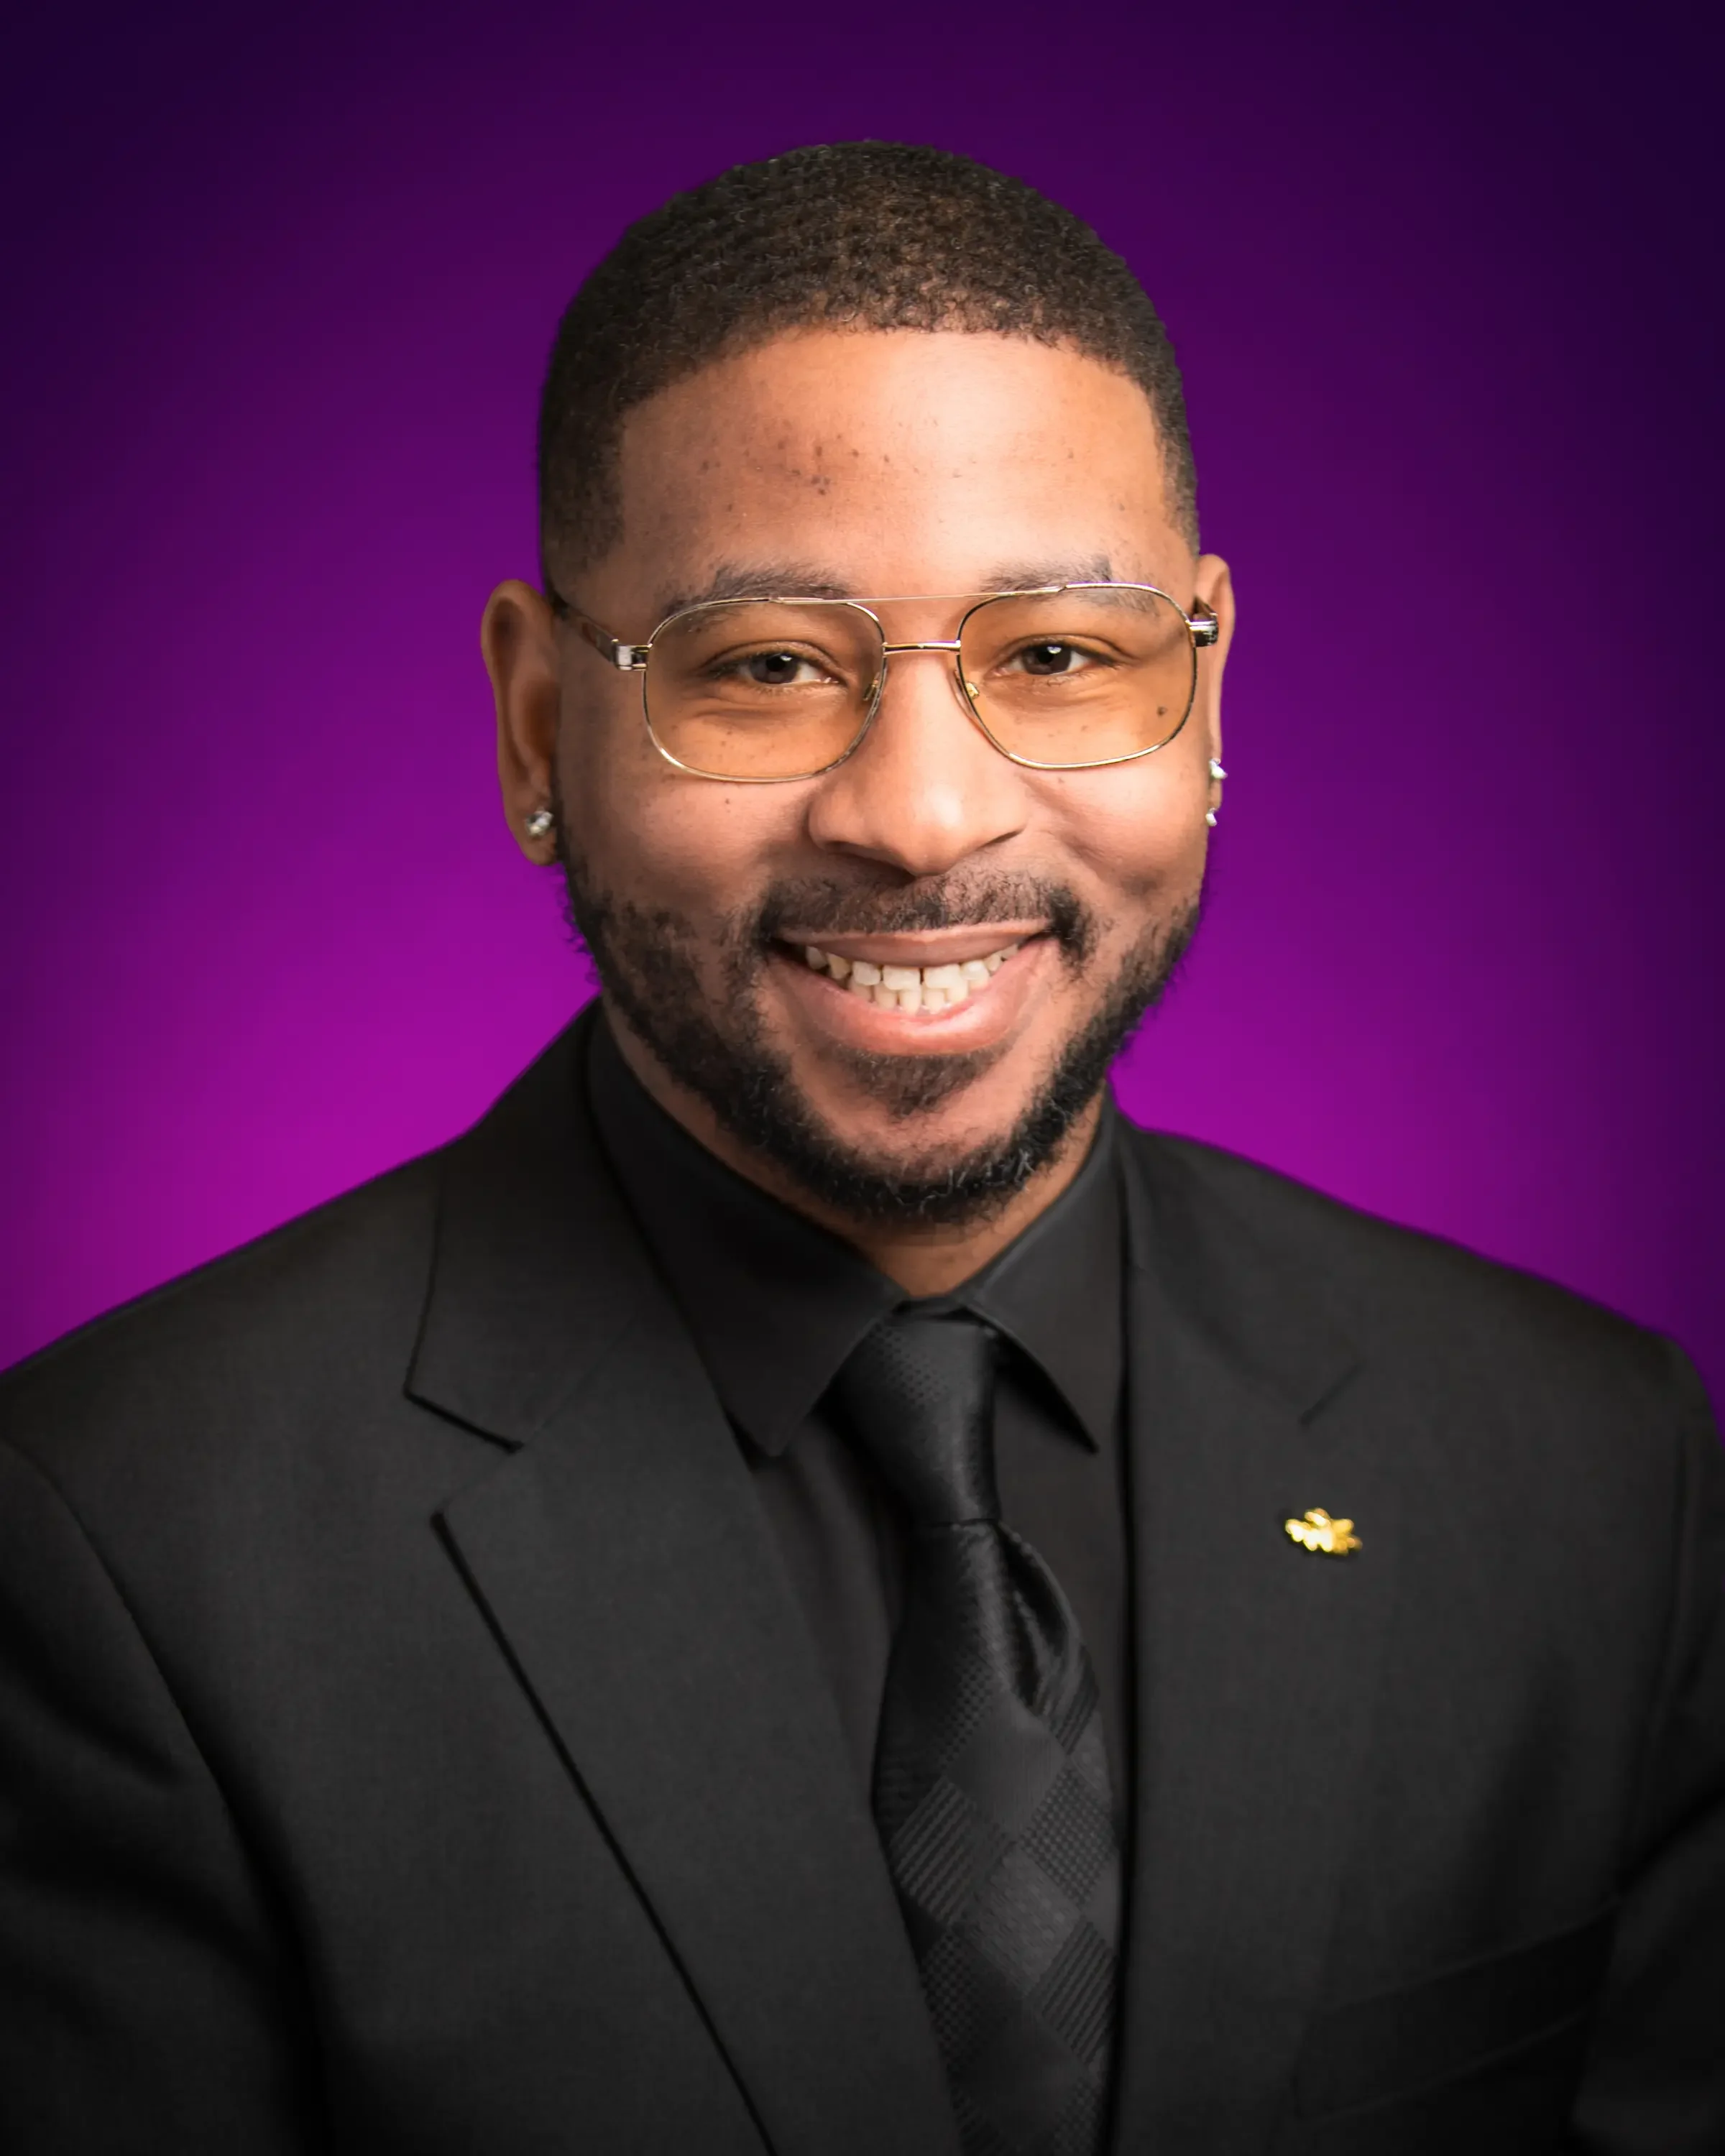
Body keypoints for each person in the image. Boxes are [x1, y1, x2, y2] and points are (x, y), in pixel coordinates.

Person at [1, 141, 1719, 2156]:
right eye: (764, 670)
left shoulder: (1592, 1482)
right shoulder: (124, 1552)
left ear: (1207, 685)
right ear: (538, 723)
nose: (920, 818)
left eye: (1062, 654)